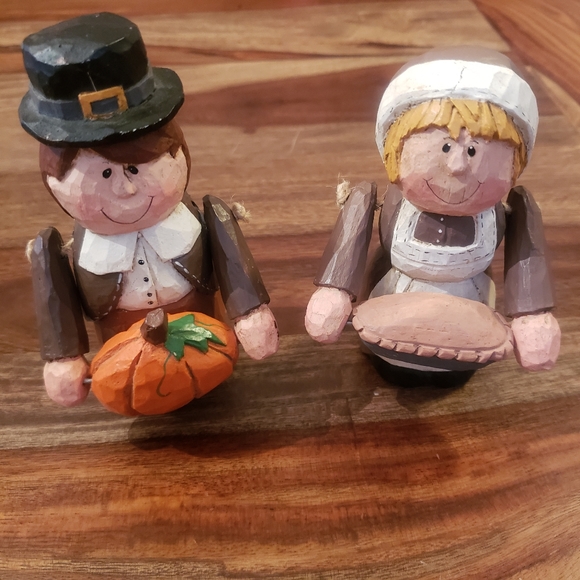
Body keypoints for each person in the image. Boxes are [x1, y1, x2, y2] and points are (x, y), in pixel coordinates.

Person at [20, 13, 278, 407]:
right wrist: (65, 357)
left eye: (137, 168)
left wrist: (248, 312)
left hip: (204, 330)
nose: (125, 189)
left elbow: (233, 266)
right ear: (53, 177)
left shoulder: (207, 217)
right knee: (137, 389)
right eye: (104, 173)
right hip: (122, 347)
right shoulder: (57, 251)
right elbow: (58, 305)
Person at [305, 47, 560, 372]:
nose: (457, 166)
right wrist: (335, 291)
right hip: (394, 300)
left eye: (473, 150)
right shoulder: (369, 198)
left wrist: (532, 314)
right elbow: (348, 246)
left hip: (470, 311)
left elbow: (528, 261)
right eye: (445, 146)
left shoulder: (515, 209)